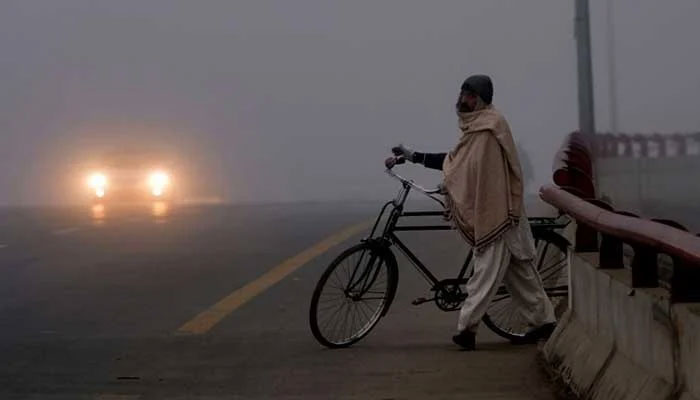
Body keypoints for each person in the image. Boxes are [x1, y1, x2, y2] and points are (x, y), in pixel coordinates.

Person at [387, 75, 556, 350]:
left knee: (485, 273)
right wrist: (414, 156)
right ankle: (545, 321)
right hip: (503, 211)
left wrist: (449, 182)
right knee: (520, 274)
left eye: (469, 96)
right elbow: (458, 162)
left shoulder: (490, 129)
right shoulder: (476, 129)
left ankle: (467, 329)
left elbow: (469, 170)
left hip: (497, 213)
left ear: (480, 99)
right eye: (462, 94)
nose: (463, 100)